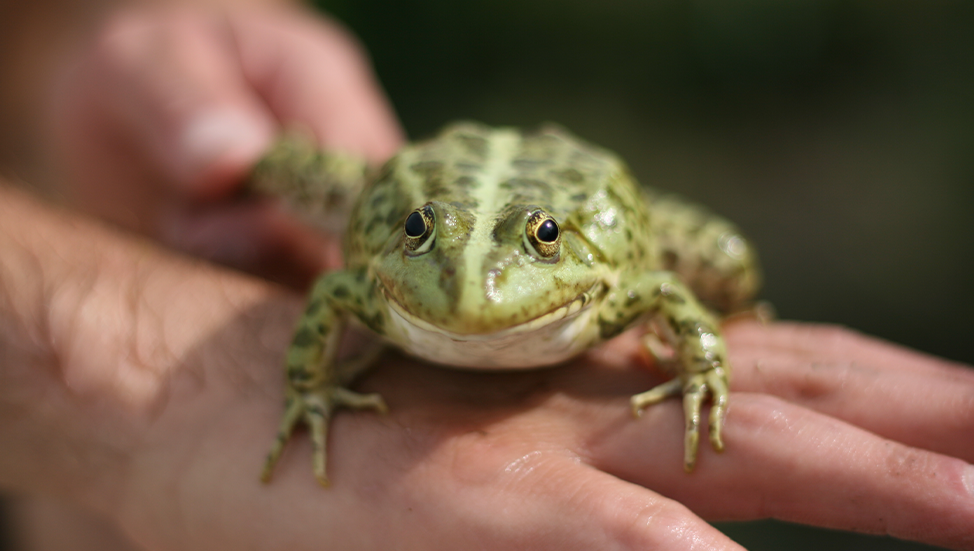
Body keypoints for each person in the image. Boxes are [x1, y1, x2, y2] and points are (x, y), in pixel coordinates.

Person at [1, 3, 973, 550]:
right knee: (299, 172)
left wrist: (701, 360)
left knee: (721, 258)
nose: (471, 288)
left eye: (534, 245)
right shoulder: (375, 285)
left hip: (570, 191)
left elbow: (669, 298)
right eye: (425, 241)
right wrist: (300, 386)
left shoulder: (613, 292)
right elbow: (339, 291)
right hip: (437, 181)